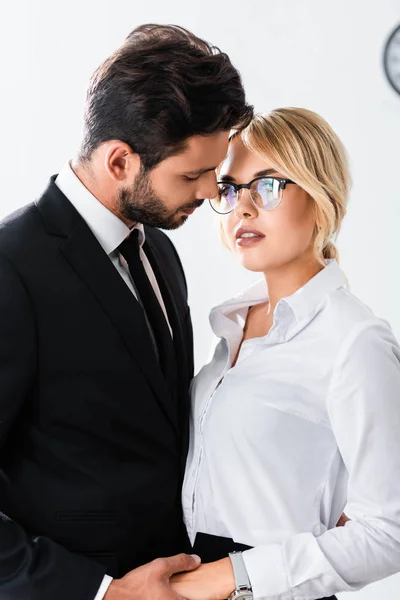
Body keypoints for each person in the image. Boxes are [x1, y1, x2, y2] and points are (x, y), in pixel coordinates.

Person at [0, 24, 253, 600]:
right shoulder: (10, 266)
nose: (212, 192)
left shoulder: (157, 248)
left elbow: (162, 434)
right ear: (120, 162)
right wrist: (102, 593)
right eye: (191, 175)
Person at [172, 108, 400, 600]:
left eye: (268, 187)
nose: (243, 209)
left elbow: (390, 532)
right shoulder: (230, 329)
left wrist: (230, 576)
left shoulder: (355, 341)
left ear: (320, 200)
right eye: (232, 189)